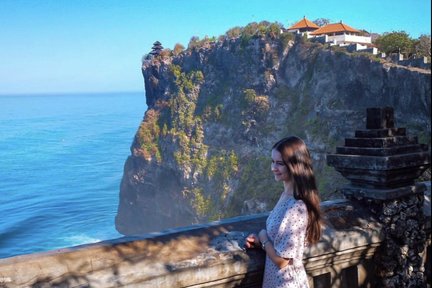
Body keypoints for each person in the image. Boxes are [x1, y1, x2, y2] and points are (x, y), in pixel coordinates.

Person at [245, 136, 322, 288]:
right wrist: (260, 242)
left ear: (295, 166)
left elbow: (282, 261)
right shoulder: (285, 196)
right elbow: (282, 240)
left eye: (280, 163)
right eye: (273, 162)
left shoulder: (296, 206)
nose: (273, 168)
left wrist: (263, 236)